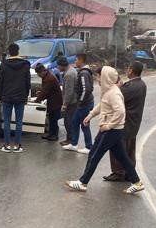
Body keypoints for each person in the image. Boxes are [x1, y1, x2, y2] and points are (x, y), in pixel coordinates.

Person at [65, 66, 145, 194]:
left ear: (105, 77)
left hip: (110, 131)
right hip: (114, 131)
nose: (97, 78)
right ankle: (137, 182)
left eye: (99, 76)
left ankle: (82, 182)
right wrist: (90, 115)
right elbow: (102, 105)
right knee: (123, 158)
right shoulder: (108, 91)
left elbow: (121, 112)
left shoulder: (114, 93)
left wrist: (109, 126)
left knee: (95, 155)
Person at [104, 61, 147, 181]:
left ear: (131, 70)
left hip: (126, 121)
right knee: (130, 148)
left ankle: (119, 172)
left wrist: (118, 87)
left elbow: (116, 96)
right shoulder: (141, 84)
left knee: (118, 147)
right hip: (134, 121)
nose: (127, 70)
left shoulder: (132, 87)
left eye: (128, 68)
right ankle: (129, 172)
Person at [0, 42, 31, 153]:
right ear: (18, 51)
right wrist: (26, 96)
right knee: (19, 121)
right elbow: (28, 82)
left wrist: (0, 96)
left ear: (9, 52)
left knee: (6, 121)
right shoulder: (26, 64)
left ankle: (6, 145)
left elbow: (0, 82)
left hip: (6, 96)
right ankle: (17, 145)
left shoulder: (4, 64)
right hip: (20, 96)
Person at [63, 53, 94, 154]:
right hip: (83, 103)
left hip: (84, 104)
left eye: (76, 60)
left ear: (81, 60)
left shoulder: (84, 73)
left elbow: (86, 89)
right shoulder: (82, 72)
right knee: (75, 122)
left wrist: (80, 102)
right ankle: (74, 144)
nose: (75, 62)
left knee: (84, 124)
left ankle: (89, 147)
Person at [33, 63, 63, 141]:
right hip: (53, 100)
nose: (38, 75)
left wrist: (36, 101)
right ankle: (51, 133)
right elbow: (46, 91)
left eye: (39, 73)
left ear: (43, 71)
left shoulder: (49, 79)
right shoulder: (47, 76)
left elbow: (45, 92)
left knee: (54, 119)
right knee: (51, 118)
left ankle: (54, 135)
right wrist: (40, 94)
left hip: (55, 102)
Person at [58, 56, 78, 147]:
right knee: (69, 121)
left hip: (72, 102)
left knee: (68, 121)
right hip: (73, 101)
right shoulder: (72, 70)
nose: (57, 68)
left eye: (58, 66)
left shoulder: (69, 75)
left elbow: (69, 91)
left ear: (62, 65)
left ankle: (70, 140)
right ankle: (70, 139)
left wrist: (65, 104)